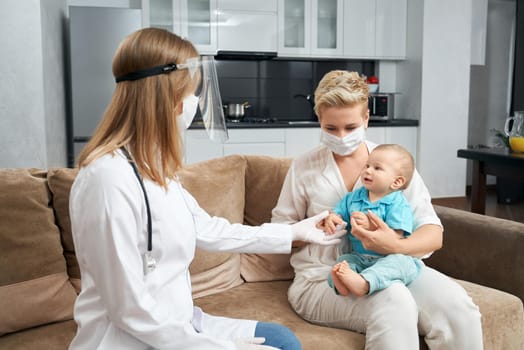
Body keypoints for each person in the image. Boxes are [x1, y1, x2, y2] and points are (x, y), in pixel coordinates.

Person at [68, 28, 343, 350]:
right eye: (189, 92)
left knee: (282, 339)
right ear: (164, 97)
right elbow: (130, 311)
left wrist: (294, 232)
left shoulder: (153, 169)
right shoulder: (107, 180)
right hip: (130, 339)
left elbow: (207, 229)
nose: (194, 103)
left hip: (177, 322)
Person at [271, 70, 483, 349]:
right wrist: (313, 229)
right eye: (330, 129)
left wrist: (393, 243)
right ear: (319, 121)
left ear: (367, 119)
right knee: (394, 301)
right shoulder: (304, 167)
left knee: (459, 309)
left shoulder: (393, 163)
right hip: (321, 279)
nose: (341, 136)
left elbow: (432, 233)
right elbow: (280, 233)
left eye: (350, 127)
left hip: (392, 266)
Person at [322, 144, 422, 297]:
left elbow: (396, 237)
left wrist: (371, 227)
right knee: (342, 263)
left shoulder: (398, 204)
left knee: (402, 264)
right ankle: (341, 285)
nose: (368, 170)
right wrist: (332, 218)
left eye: (377, 168)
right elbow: (338, 213)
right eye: (367, 165)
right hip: (359, 256)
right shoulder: (353, 197)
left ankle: (365, 283)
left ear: (396, 182)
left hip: (387, 256)